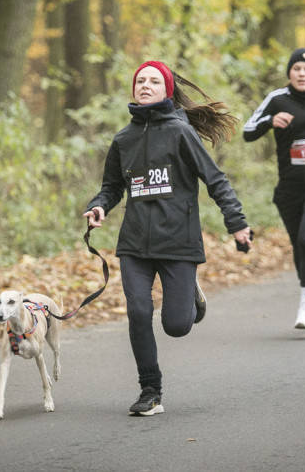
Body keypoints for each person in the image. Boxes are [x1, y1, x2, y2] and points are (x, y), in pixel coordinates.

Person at [83, 60, 252, 416]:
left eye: (154, 81)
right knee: (138, 311)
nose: (145, 85)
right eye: (140, 80)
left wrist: (236, 223)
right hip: (134, 245)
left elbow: (215, 180)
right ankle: (150, 391)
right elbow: (112, 187)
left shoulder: (181, 132)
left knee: (176, 326)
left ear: (167, 90)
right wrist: (99, 206)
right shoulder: (123, 138)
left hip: (178, 241)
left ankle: (190, 290)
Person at [243, 48, 305, 330]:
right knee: (300, 244)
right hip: (289, 187)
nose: (301, 74)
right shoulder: (277, 99)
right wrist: (270, 121)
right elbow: (248, 130)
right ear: (289, 73)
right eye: (296, 68)